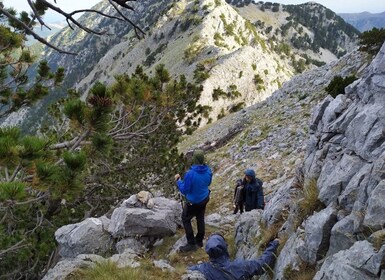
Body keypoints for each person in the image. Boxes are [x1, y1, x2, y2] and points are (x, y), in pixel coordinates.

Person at [189, 233, 279, 280]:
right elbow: (263, 264)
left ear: (208, 251)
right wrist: (274, 244)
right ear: (225, 247)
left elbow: (184, 272)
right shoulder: (240, 266)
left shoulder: (201, 269)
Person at [175, 149, 212, 252]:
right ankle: (199, 241)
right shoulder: (208, 170)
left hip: (193, 202)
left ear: (194, 160)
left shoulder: (190, 174)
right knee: (200, 218)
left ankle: (191, 243)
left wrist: (178, 181)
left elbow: (184, 190)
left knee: (185, 218)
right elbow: (208, 183)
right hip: (204, 199)